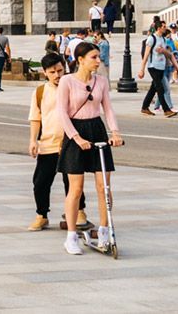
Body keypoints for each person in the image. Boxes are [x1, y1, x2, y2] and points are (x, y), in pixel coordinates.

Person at [55, 42, 123, 256]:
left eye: (98, 57)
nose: (98, 61)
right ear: (81, 59)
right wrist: (76, 137)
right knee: (75, 188)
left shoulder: (101, 82)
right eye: (94, 57)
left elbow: (108, 109)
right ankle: (71, 236)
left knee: (104, 186)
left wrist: (115, 132)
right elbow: (62, 113)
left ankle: (104, 231)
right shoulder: (66, 81)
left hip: (96, 129)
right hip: (76, 132)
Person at [26, 52, 85, 233]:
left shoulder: (73, 87)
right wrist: (33, 140)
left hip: (71, 143)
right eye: (52, 72)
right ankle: (41, 215)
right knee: (41, 182)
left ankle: (79, 212)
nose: (57, 76)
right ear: (45, 72)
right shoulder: (40, 92)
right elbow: (36, 118)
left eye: (60, 71)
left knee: (73, 182)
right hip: (48, 143)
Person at [139, 22, 178, 117]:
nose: (165, 28)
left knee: (153, 88)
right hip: (153, 66)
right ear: (159, 28)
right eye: (164, 27)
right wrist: (142, 69)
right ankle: (166, 109)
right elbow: (146, 54)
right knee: (160, 88)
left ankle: (145, 107)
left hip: (161, 67)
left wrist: (164, 51)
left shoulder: (164, 39)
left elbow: (168, 54)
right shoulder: (152, 38)